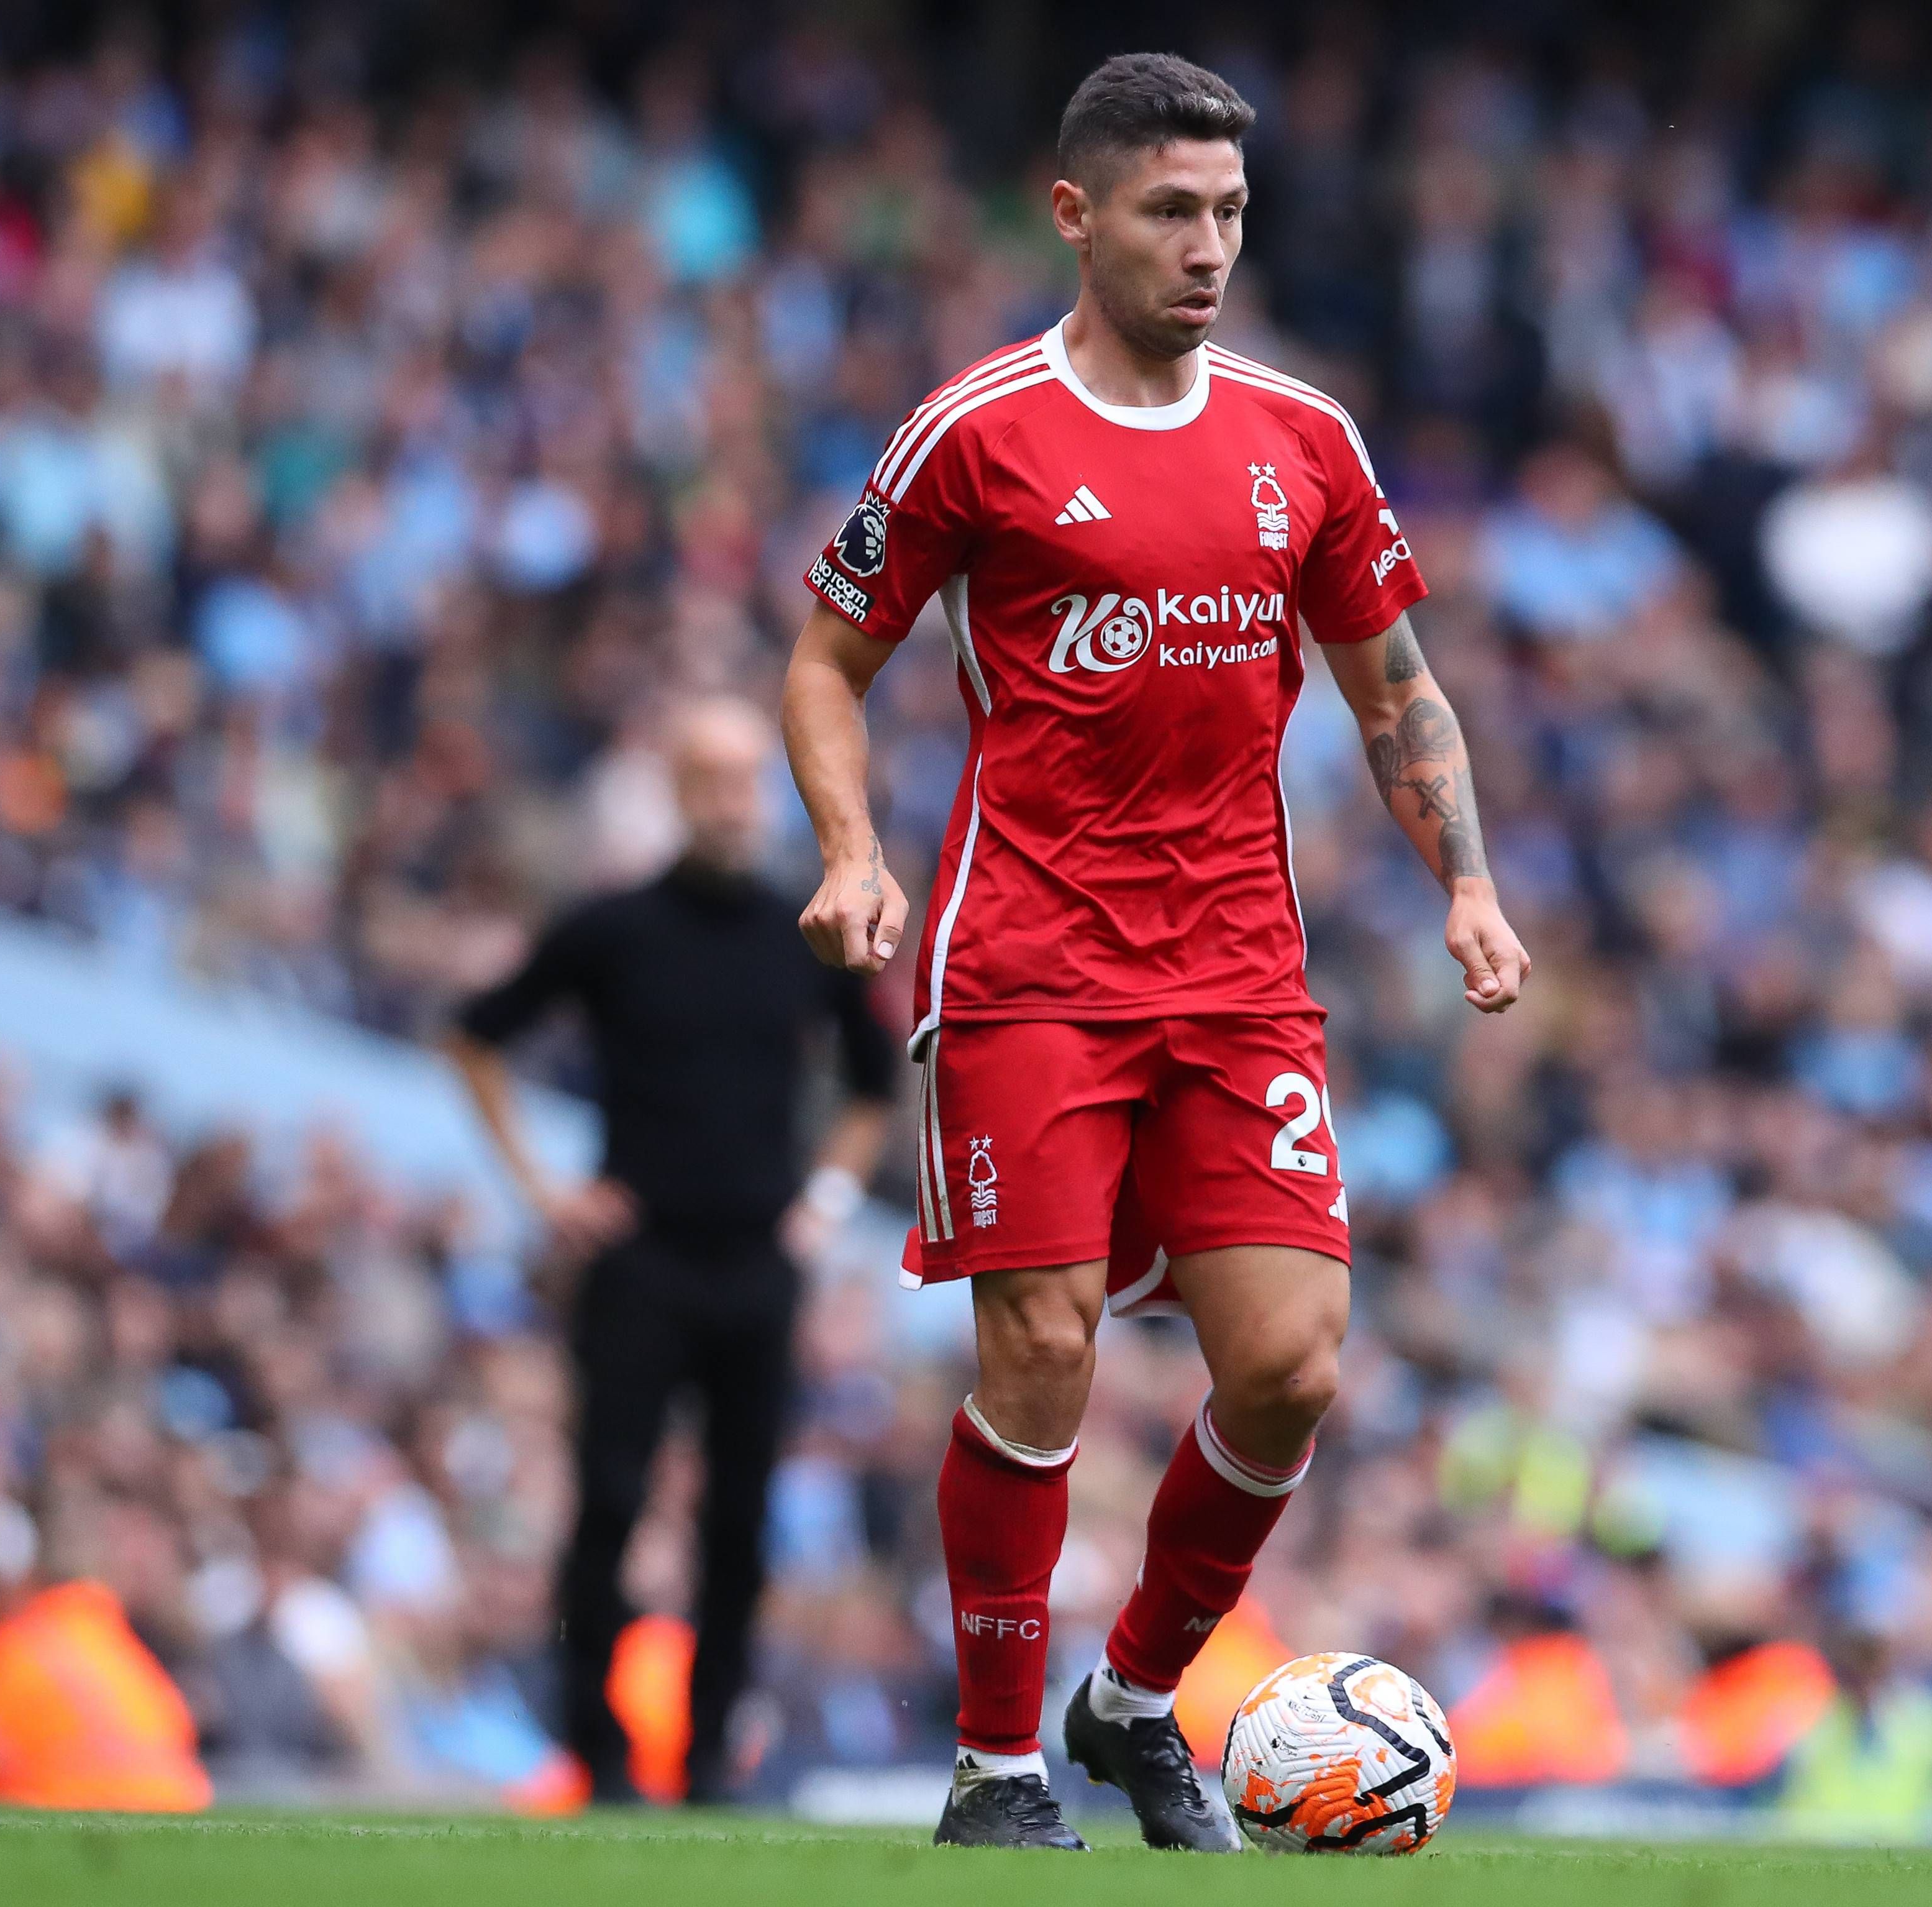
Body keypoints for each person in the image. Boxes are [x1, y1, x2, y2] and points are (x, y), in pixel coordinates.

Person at [780, 52, 1528, 1851]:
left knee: (1289, 1365)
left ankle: (1127, 1697)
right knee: (1036, 1347)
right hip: (1026, 952)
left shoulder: (1305, 440)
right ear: (1075, 213)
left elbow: (1395, 691)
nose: (1207, 248)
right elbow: (823, 660)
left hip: (1237, 964)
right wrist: (850, 850)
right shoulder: (974, 431)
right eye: (1171, 211)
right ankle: (990, 1762)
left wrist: (1467, 884)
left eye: (1228, 215)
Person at [447, 698, 898, 1804]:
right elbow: (477, 1034)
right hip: (641, 1256)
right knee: (608, 1498)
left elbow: (874, 1086)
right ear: (677, 789)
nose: (731, 799)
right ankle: (593, 1747)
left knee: (740, 1518)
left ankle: (706, 1759)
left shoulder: (807, 930)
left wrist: (824, 1204)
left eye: (748, 777)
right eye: (710, 777)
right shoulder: (614, 927)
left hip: (756, 1259)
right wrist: (547, 1190)